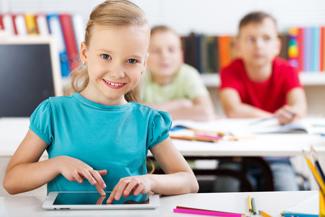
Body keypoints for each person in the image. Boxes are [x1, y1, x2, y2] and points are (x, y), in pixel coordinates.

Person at [3, 0, 198, 203]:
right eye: (105, 56)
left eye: (132, 60)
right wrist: (57, 164)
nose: (117, 72)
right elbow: (12, 181)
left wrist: (150, 182)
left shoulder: (147, 120)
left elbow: (189, 181)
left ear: (144, 63)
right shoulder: (53, 113)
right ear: (85, 54)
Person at [217, 11, 307, 191]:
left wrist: (292, 112)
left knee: (288, 193)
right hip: (235, 152)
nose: (258, 45)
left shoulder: (288, 70)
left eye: (266, 38)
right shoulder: (230, 71)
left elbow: (300, 107)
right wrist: (275, 118)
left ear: (277, 45)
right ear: (238, 46)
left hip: (276, 152)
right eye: (251, 39)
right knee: (224, 190)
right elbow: (233, 109)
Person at [140, 25, 215, 121]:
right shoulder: (141, 76)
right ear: (144, 55)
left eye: (171, 50)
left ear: (181, 54)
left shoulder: (188, 74)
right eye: (156, 51)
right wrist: (179, 105)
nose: (164, 56)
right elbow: (133, 112)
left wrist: (155, 112)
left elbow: (206, 111)